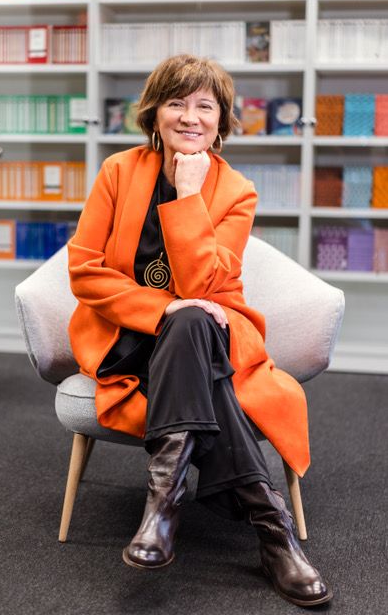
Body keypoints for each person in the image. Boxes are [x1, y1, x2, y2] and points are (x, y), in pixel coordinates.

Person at [67, 54, 333, 608]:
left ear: (221, 121)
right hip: (127, 337)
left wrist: (188, 197)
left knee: (193, 319)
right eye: (177, 103)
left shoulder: (236, 191)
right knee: (185, 322)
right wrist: (159, 310)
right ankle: (273, 530)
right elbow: (84, 269)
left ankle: (162, 507)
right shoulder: (118, 171)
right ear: (154, 114)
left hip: (207, 333)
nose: (191, 117)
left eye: (205, 106)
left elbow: (204, 286)